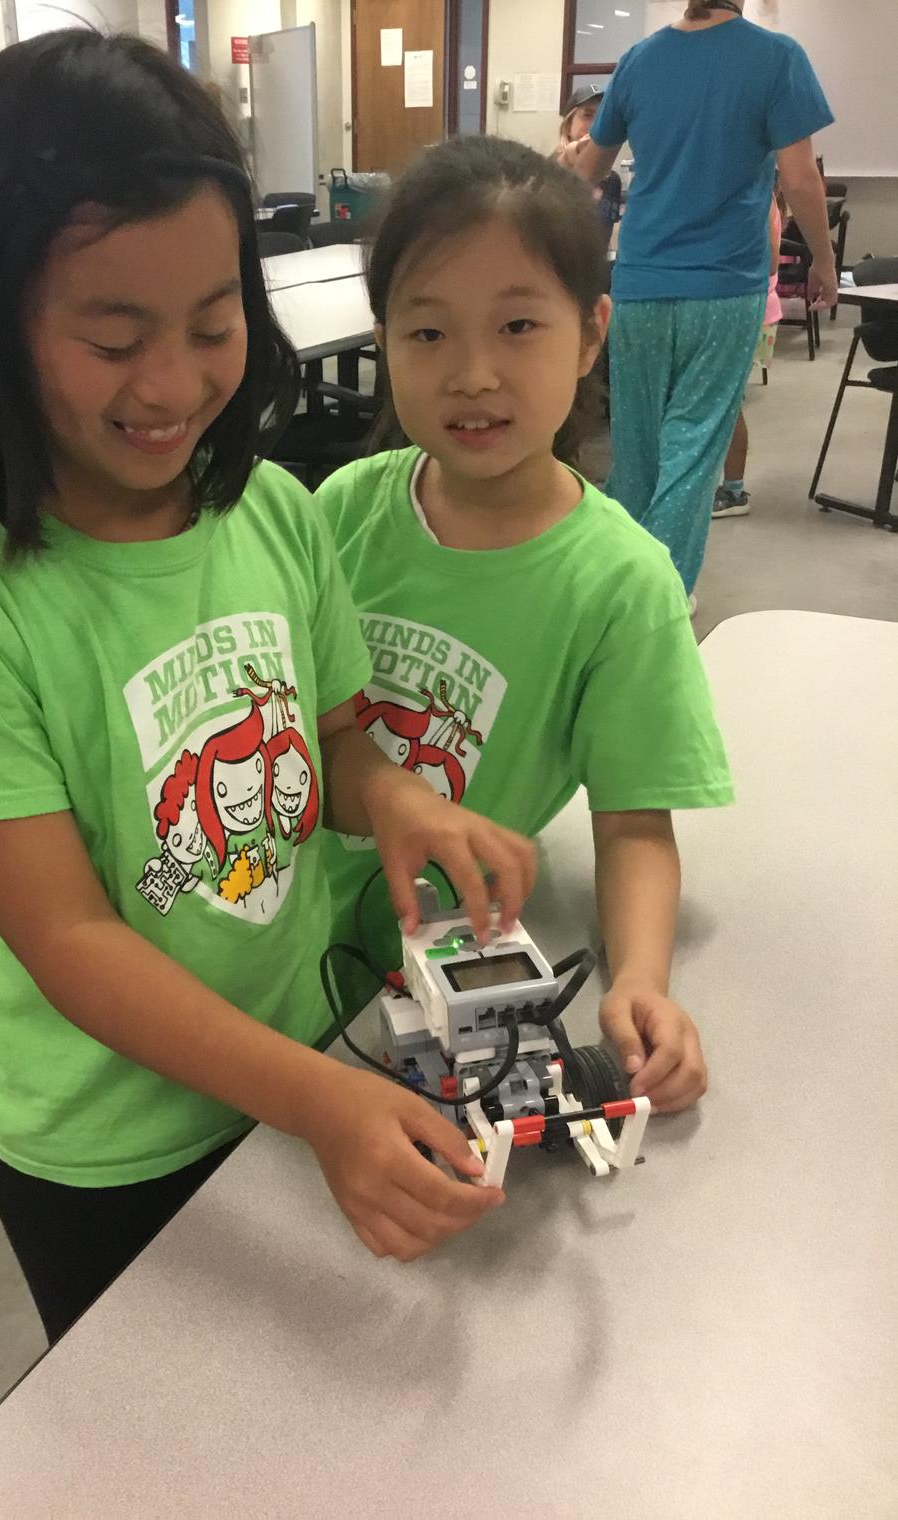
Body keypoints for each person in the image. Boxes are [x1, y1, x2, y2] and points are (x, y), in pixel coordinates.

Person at [0, 31, 537, 1343]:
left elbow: (335, 741)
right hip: (103, 1151)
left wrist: (395, 801)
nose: (173, 385)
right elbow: (71, 944)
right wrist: (318, 1100)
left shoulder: (272, 515)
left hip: (289, 1070)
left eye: (214, 324)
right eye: (114, 340)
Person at [317, 137, 734, 1117]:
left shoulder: (621, 581)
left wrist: (639, 979)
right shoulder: (338, 510)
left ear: (591, 335)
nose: (473, 374)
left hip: (446, 976)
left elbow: (635, 820)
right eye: (427, 334)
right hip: (284, 948)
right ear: (383, 338)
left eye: (516, 325)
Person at [560, 0, 836, 602]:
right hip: (724, 284)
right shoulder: (777, 58)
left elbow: (590, 170)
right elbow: (798, 177)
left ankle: (614, 588)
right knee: (692, 446)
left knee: (635, 449)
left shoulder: (639, 59)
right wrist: (823, 258)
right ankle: (658, 599)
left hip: (641, 283)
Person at [714, 187, 784, 518]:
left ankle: (734, 491)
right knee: (723, 402)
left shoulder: (756, 196)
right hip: (742, 308)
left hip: (750, 310)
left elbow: (770, 261)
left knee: (726, 404)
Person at [553, 84, 621, 248]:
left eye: (601, 117)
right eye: (587, 115)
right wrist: (571, 155)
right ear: (569, 124)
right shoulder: (548, 170)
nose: (595, 124)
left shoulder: (612, 181)